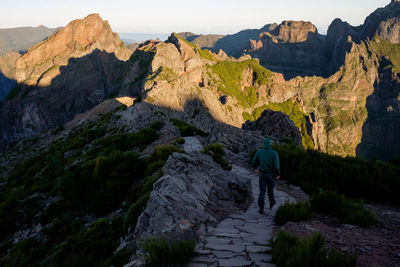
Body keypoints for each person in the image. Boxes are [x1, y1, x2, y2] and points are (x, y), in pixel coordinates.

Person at [251, 138, 280, 214]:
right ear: (270, 145)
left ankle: (261, 208)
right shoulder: (274, 153)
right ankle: (272, 205)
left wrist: (256, 168)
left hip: (262, 174)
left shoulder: (259, 152)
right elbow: (276, 166)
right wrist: (277, 174)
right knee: (270, 191)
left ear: (263, 144)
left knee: (262, 191)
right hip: (271, 175)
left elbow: (253, 162)